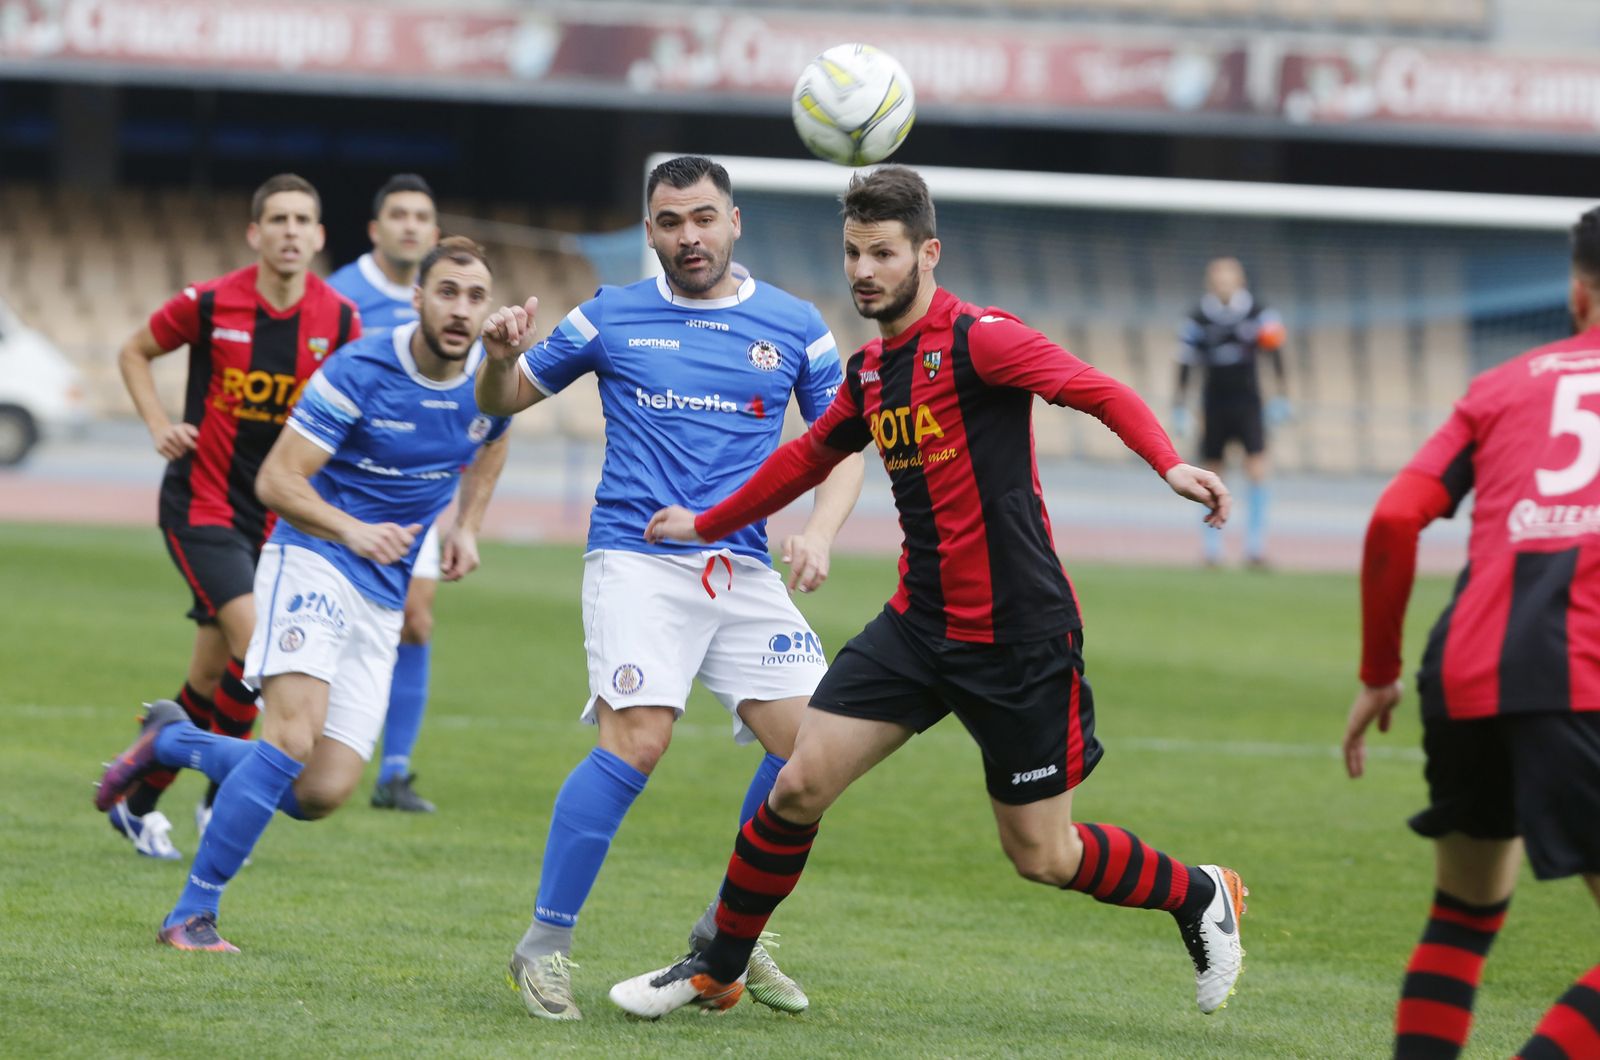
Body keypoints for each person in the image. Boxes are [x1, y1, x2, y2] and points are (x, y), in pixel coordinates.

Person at [609, 165, 1247, 1022]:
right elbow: (808, 458)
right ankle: (716, 967)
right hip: (917, 627)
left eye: (882, 252)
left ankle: (1198, 893)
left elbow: (1096, 389)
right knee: (798, 786)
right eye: (852, 253)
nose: (863, 270)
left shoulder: (982, 339)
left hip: (1018, 639)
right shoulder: (871, 370)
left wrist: (1168, 461)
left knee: (1043, 854)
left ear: (927, 253)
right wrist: (708, 522)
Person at [475, 154, 865, 1021]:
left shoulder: (794, 325)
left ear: (734, 223)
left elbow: (846, 444)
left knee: (814, 757)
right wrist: (497, 360)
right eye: (669, 223)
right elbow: (507, 397)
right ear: (650, 233)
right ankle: (543, 948)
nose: (687, 237)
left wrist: (821, 532)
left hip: (744, 567)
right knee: (639, 741)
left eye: (701, 219)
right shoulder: (609, 314)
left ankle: (730, 936)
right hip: (637, 560)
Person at [94, 237, 512, 951]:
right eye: (447, 292)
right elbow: (278, 481)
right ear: (417, 298)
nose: (461, 310)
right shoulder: (361, 367)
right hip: (314, 557)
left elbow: (495, 433)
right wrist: (352, 530)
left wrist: (467, 526)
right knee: (289, 736)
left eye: (475, 297)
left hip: (380, 592)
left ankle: (173, 740)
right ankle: (190, 915)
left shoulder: (492, 377)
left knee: (318, 793)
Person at [1342, 208, 1600, 1060]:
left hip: (1465, 671)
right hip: (1582, 678)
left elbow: (1392, 518)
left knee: (1464, 911)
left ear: (1576, 290)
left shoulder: (1499, 386)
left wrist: (1379, 669)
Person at [109, 174, 360, 858]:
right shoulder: (213, 300)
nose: (288, 230)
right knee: (262, 652)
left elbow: (350, 411)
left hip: (279, 519)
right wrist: (160, 421)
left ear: (317, 236)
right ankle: (223, 793)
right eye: (276, 218)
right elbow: (135, 350)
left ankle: (140, 799)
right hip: (203, 506)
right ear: (256, 233)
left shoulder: (338, 320)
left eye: (301, 219)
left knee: (210, 678)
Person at [329, 174, 447, 813]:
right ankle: (310, 740)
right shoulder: (340, 296)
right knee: (338, 620)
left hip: (420, 493)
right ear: (375, 229)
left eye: (421, 216)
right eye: (398, 214)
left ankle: (394, 773)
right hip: (345, 492)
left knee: (416, 622)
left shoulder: (447, 300)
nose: (410, 225)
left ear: (433, 231)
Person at [1172, 257, 1288, 568]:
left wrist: (1281, 396)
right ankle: (1212, 548)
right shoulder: (1198, 317)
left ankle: (1254, 546)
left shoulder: (1259, 312)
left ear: (1240, 281)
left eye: (1229, 279)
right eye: (1218, 280)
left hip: (1248, 402)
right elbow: (1185, 363)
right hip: (1214, 403)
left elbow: (1276, 354)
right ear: (1211, 283)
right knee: (1212, 471)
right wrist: (1180, 406)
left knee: (1257, 469)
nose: (1224, 285)